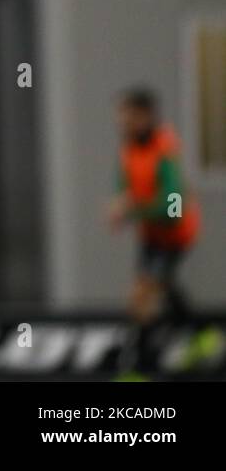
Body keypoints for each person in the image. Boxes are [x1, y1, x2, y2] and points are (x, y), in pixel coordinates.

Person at [108, 87, 216, 378]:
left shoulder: (165, 152)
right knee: (163, 289)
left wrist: (131, 211)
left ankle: (140, 368)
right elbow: (126, 188)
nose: (123, 122)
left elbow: (173, 210)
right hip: (151, 235)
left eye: (129, 116)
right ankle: (203, 336)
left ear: (145, 116)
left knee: (142, 299)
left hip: (174, 237)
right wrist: (121, 204)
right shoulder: (129, 148)